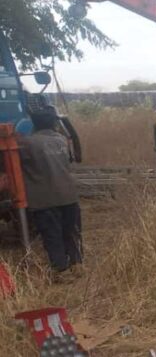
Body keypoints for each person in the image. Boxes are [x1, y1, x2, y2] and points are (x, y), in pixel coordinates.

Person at [18, 106, 82, 278]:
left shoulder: (27, 143)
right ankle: (77, 264)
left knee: (52, 235)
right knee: (71, 232)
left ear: (33, 123)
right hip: (69, 196)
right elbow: (72, 158)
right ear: (54, 122)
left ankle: (61, 270)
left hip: (44, 200)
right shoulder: (61, 139)